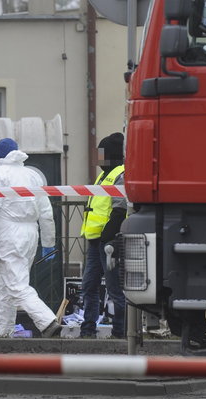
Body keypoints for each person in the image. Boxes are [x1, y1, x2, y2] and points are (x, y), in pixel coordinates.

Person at [0, 138, 61, 338]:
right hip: (31, 233)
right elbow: (46, 212)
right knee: (7, 286)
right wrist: (48, 243)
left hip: (9, 233)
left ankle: (47, 321)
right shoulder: (32, 175)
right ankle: (3, 333)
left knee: (16, 285)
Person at [80, 132, 127, 339]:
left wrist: (110, 235)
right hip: (95, 240)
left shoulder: (120, 174)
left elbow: (119, 209)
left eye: (101, 153)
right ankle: (88, 329)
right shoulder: (104, 175)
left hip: (109, 241)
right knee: (89, 286)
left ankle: (120, 333)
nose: (98, 158)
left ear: (110, 154)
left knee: (115, 289)